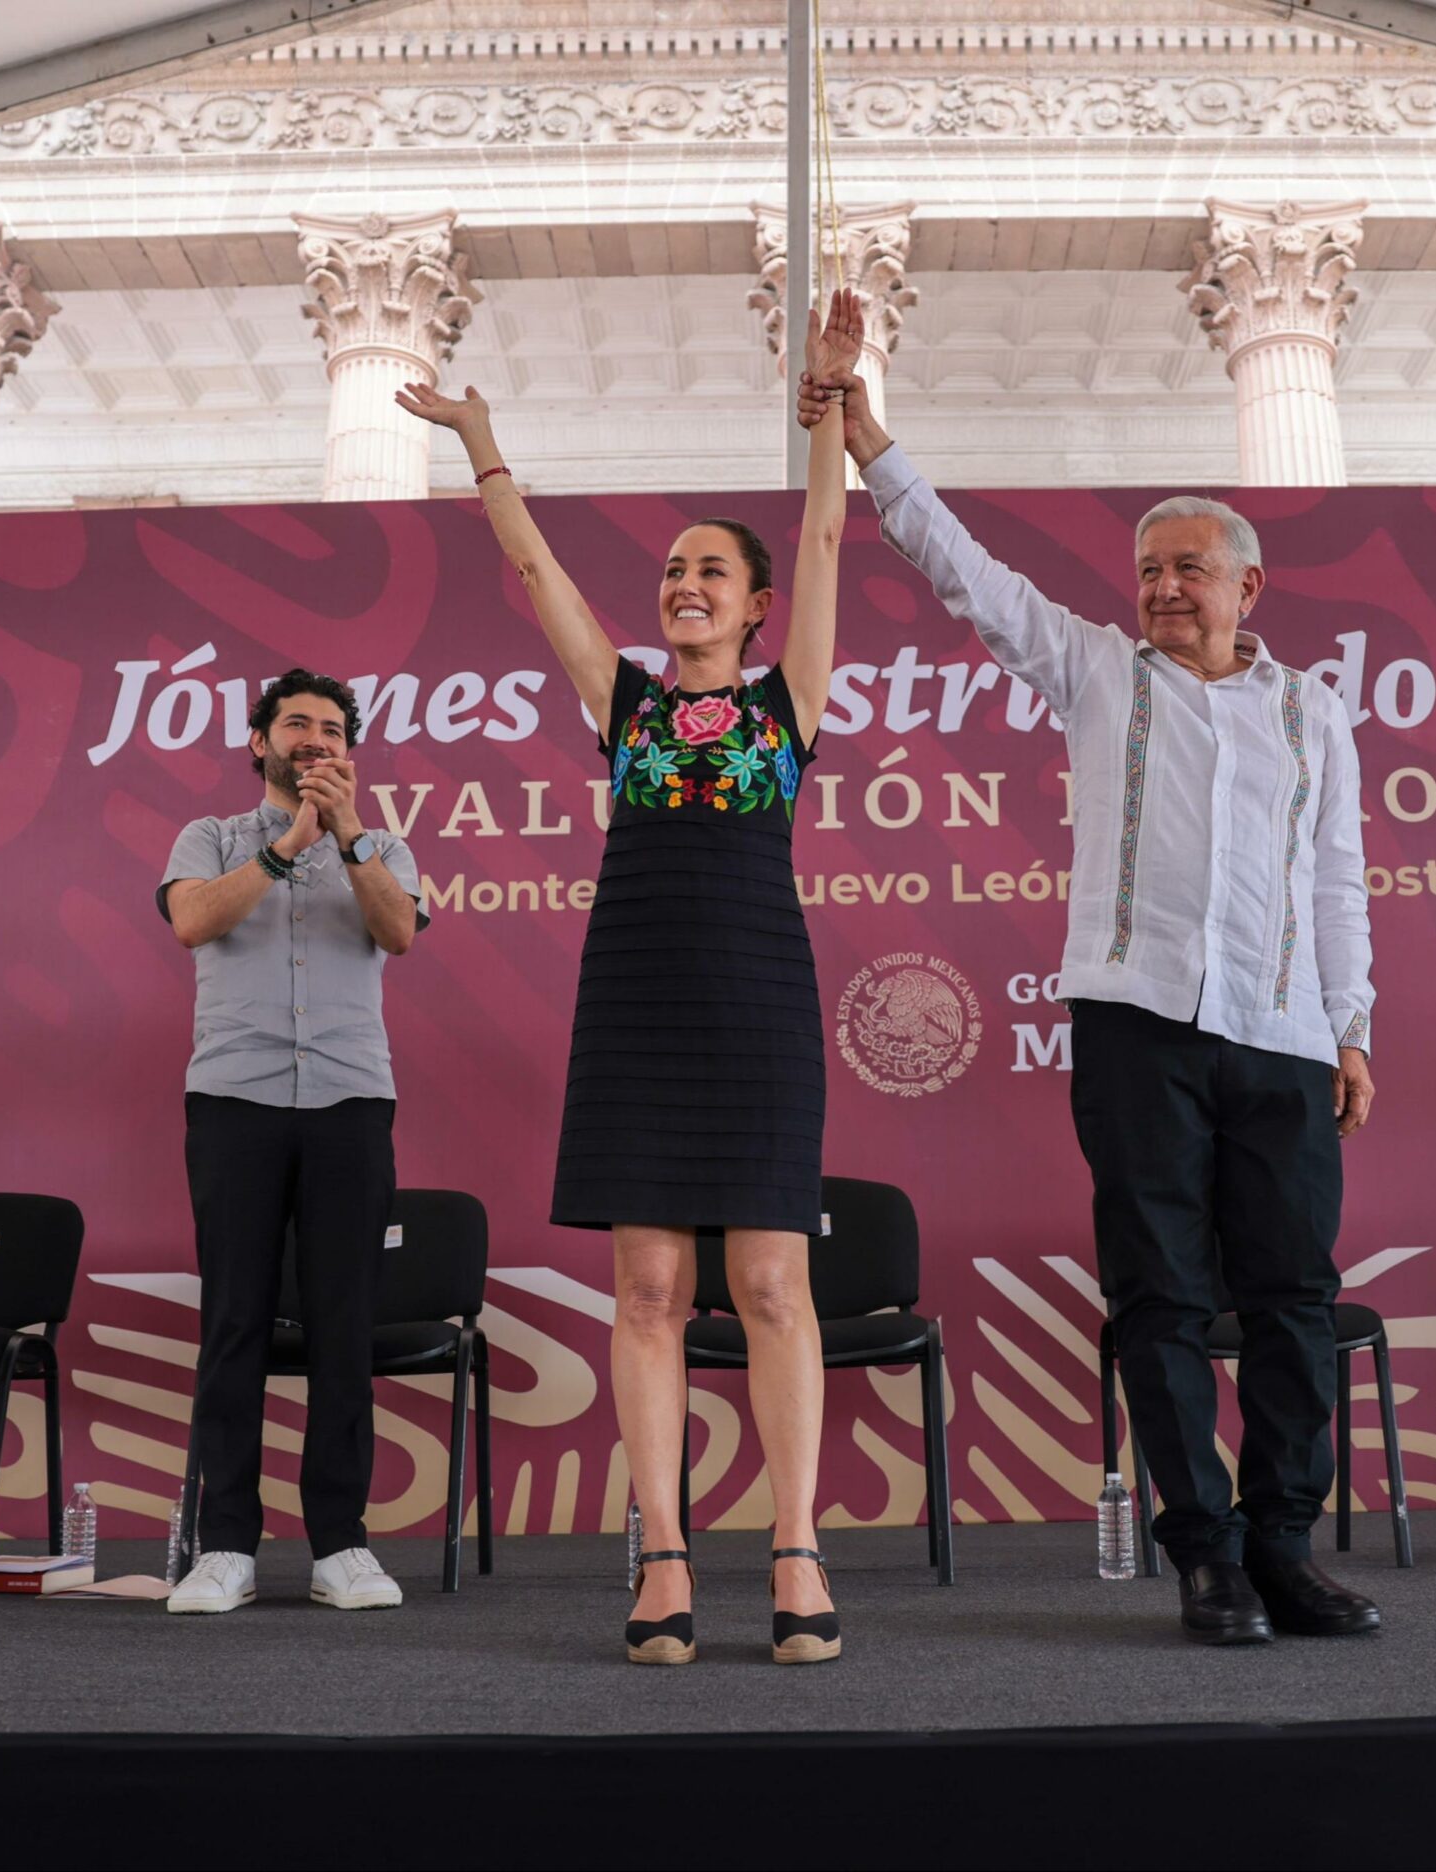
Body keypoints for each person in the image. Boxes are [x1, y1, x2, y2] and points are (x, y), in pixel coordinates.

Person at [799, 357, 1383, 1647]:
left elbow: (1335, 877)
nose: (1164, 589)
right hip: (1136, 1029)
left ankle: (1287, 1545)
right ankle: (1206, 1556)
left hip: (1285, 1036)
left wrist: (1350, 1026)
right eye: (1150, 570)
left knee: (1291, 1297)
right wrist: (868, 438)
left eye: (1189, 570)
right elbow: (965, 573)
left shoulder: (1313, 715)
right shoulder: (1096, 671)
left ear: (1248, 587)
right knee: (1160, 1296)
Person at [396, 290, 861, 1666]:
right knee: (648, 1290)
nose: (685, 585)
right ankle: (661, 1555)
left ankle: (794, 1549)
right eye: (671, 571)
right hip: (638, 1000)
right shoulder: (629, 706)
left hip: (760, 1000)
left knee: (775, 1285)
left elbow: (829, 530)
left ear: (757, 605)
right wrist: (484, 449)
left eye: (711, 571)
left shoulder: (790, 704)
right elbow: (540, 579)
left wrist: (832, 407)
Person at [159, 670, 427, 1614]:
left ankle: (340, 1546)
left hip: (351, 1102)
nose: (315, 738)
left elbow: (398, 932)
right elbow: (194, 919)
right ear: (259, 744)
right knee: (233, 1321)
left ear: (350, 751)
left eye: (331, 728)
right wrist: (288, 847)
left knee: (343, 1327)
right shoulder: (212, 839)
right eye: (297, 724)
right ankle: (226, 1543)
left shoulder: (384, 842)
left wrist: (346, 837)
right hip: (235, 1100)